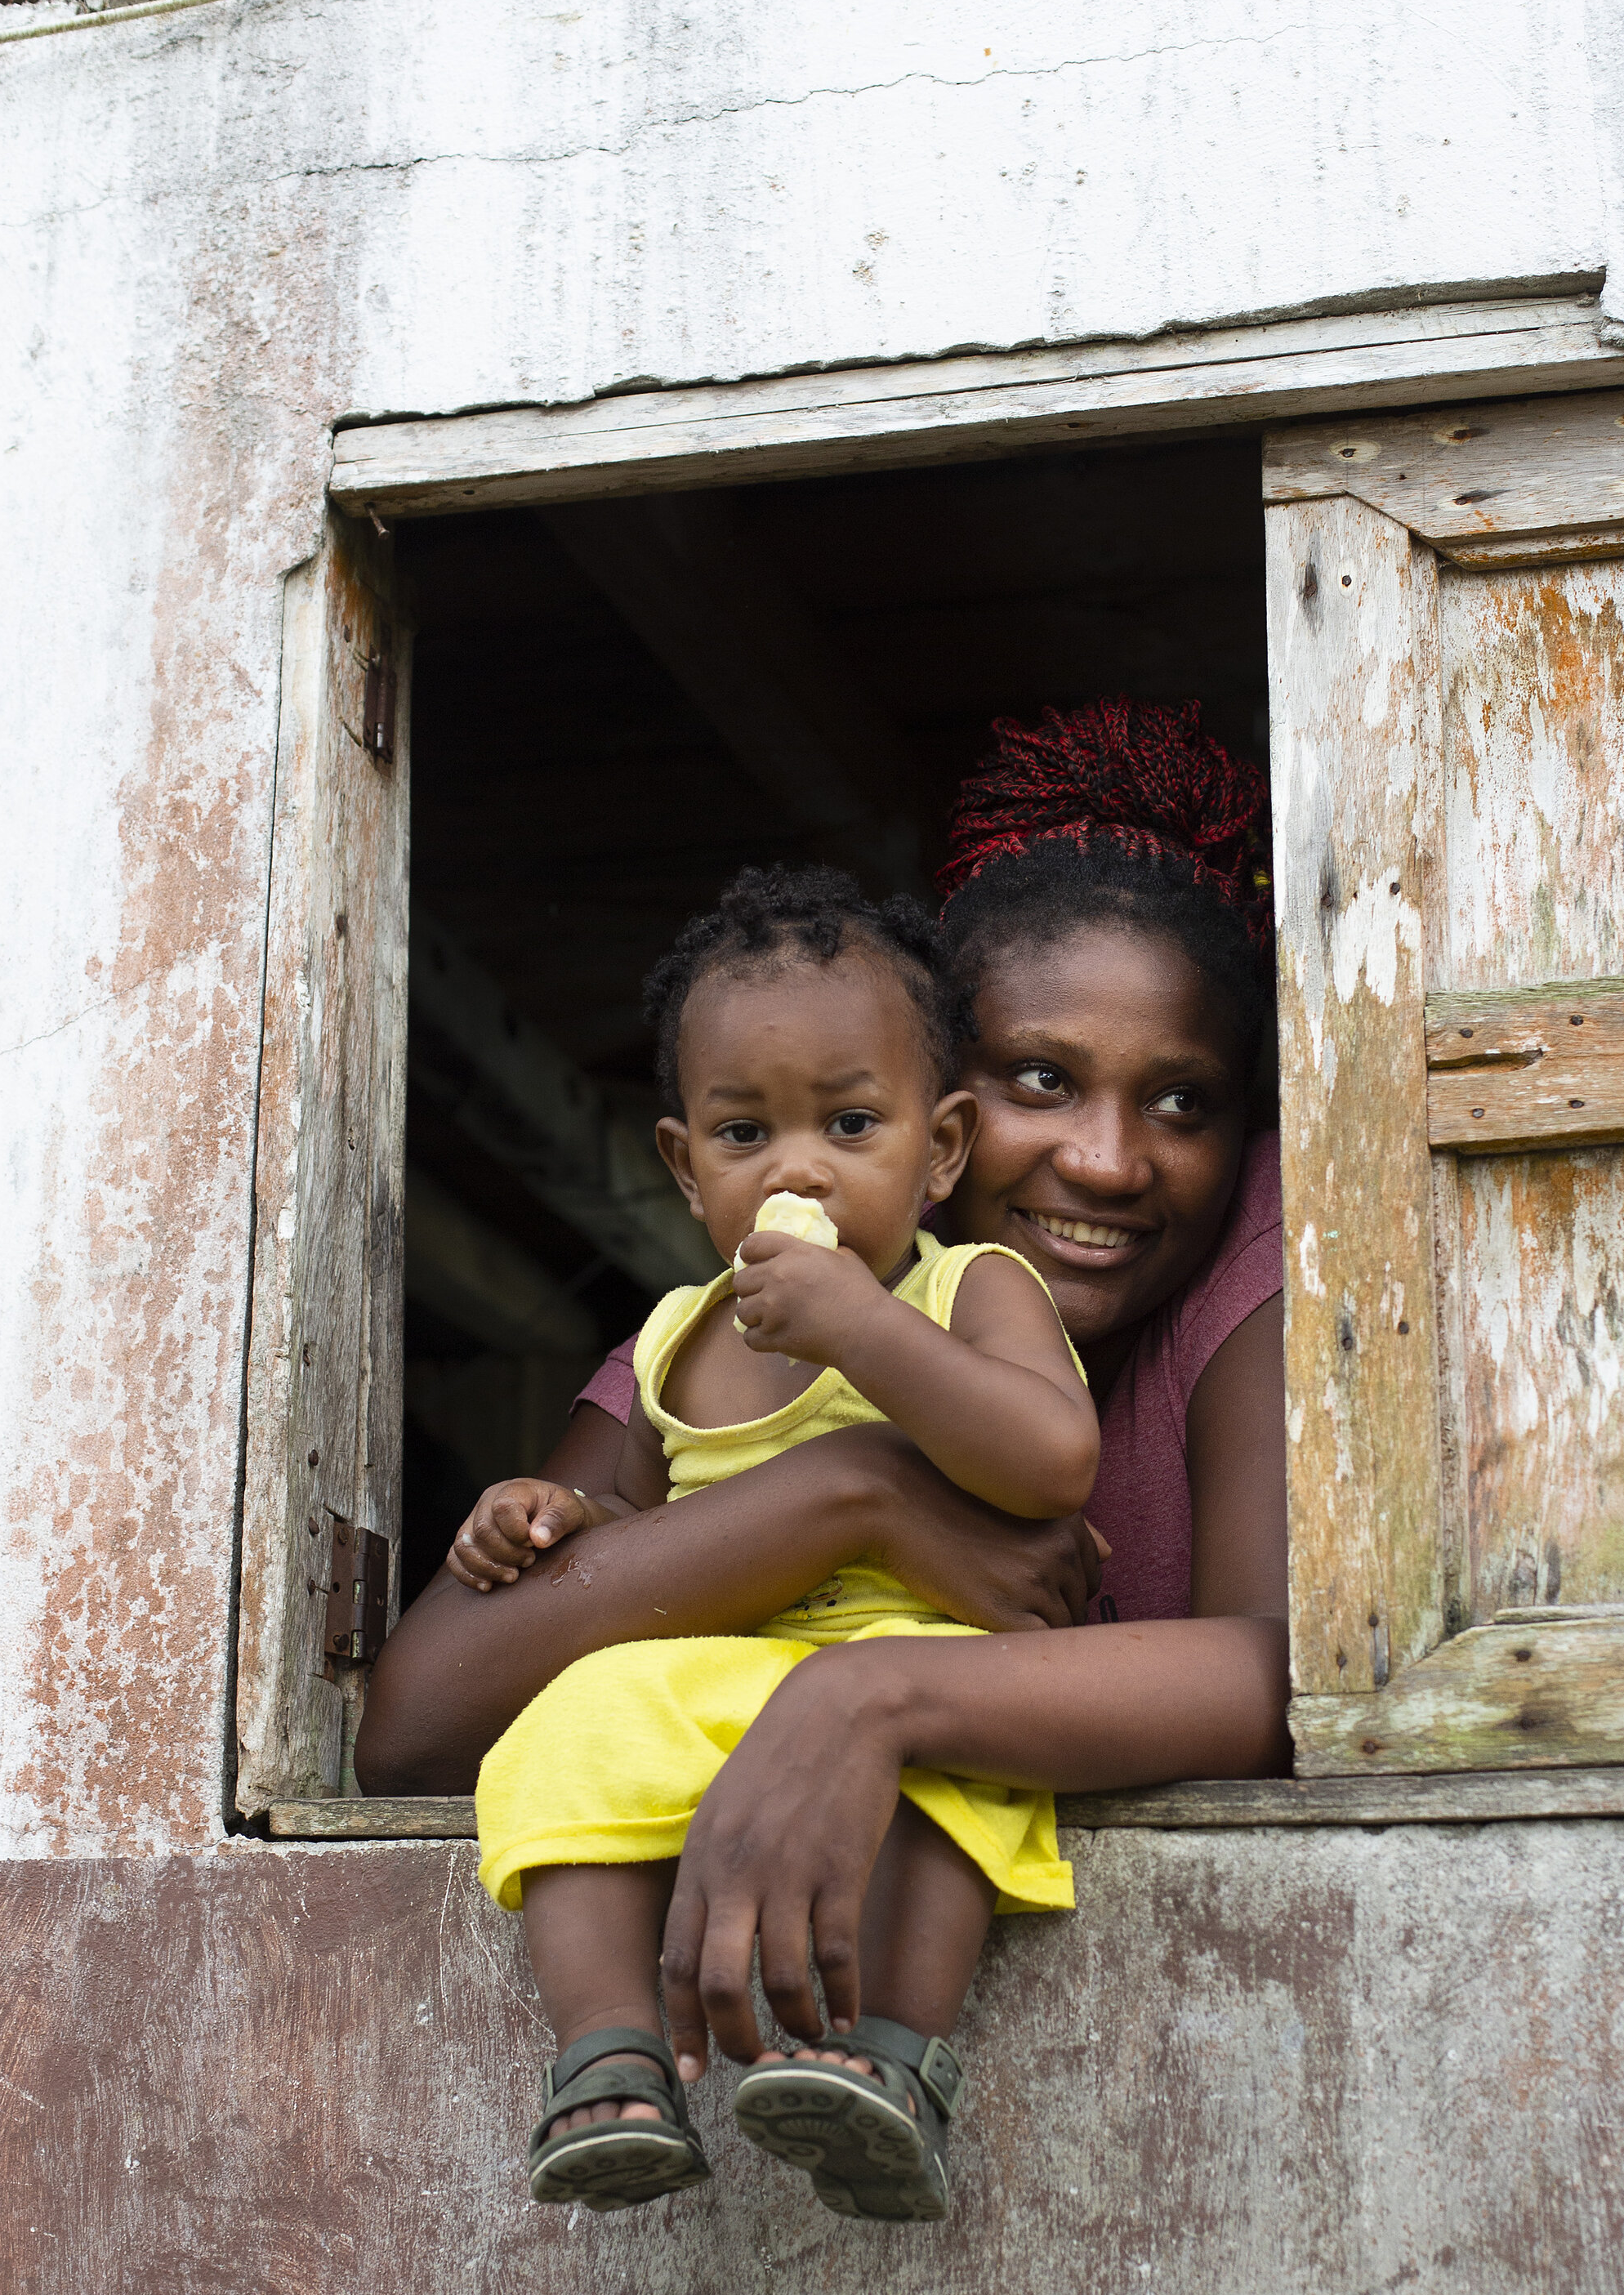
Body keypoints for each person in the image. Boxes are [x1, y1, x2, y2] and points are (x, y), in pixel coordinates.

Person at [356, 697, 1289, 2199]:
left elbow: (1276, 1674)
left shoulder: (1246, 1267)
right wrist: (859, 1497)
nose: (1110, 1160)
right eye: (1041, 1082)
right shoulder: (737, 1329)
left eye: (1182, 1101)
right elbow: (415, 1718)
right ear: (945, 1098)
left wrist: (871, 1696)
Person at [466, 867, 1099, 2223]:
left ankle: (893, 2058)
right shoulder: (677, 1338)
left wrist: (867, 1329)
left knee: (961, 1785)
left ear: (940, 1153)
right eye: (746, 1131)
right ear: (688, 1165)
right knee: (572, 1712)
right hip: (731, 1677)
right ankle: (608, 2052)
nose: (797, 1168)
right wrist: (562, 1516)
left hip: (917, 1664)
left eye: (851, 1124)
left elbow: (1054, 1458)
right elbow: (655, 1532)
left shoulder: (964, 1285)